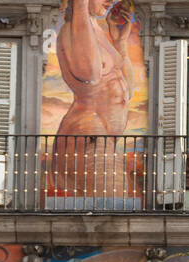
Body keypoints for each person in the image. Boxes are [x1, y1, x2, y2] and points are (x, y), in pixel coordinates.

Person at [50, 0, 135, 195]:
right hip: (87, 135)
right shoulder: (73, 30)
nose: (110, 0)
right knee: (112, 209)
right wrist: (80, 7)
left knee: (115, 210)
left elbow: (128, 91)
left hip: (102, 139)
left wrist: (120, 41)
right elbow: (90, 74)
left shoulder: (96, 31)